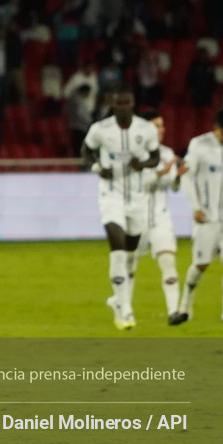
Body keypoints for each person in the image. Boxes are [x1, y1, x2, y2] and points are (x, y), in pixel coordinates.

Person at [81, 84, 160, 330]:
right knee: (116, 240)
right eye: (119, 103)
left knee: (131, 249)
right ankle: (125, 310)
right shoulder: (100, 129)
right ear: (112, 105)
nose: (123, 107)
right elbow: (86, 150)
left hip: (137, 198)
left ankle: (117, 299)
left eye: (127, 102)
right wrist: (97, 168)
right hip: (110, 195)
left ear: (133, 103)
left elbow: (155, 156)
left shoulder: (146, 129)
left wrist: (144, 163)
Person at [176, 108, 223, 323]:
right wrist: (195, 207)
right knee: (200, 265)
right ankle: (185, 305)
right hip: (207, 218)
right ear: (215, 128)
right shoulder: (199, 145)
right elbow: (185, 177)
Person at [135, 110, 188, 325]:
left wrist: (177, 177)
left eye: (162, 125)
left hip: (160, 216)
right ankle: (123, 308)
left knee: (168, 260)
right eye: (157, 125)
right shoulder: (134, 153)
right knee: (128, 267)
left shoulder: (167, 153)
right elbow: (140, 183)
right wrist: (163, 171)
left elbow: (172, 187)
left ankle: (173, 311)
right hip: (136, 218)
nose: (162, 129)